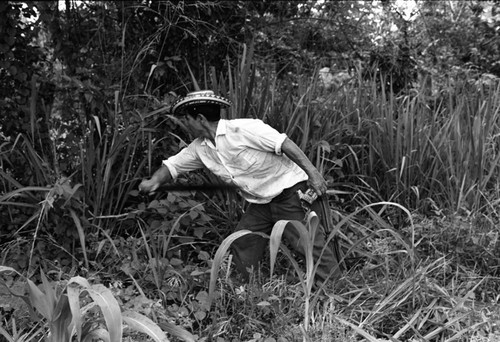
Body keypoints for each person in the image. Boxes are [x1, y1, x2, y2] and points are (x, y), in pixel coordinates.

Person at [139, 90, 341, 284]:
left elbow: (285, 144)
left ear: (200, 119)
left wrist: (314, 174)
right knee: (243, 241)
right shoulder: (199, 148)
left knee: (307, 244)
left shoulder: (245, 129)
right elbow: (172, 165)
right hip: (261, 202)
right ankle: (244, 291)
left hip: (289, 193)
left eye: (186, 119)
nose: (184, 124)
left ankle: (334, 291)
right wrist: (154, 181)